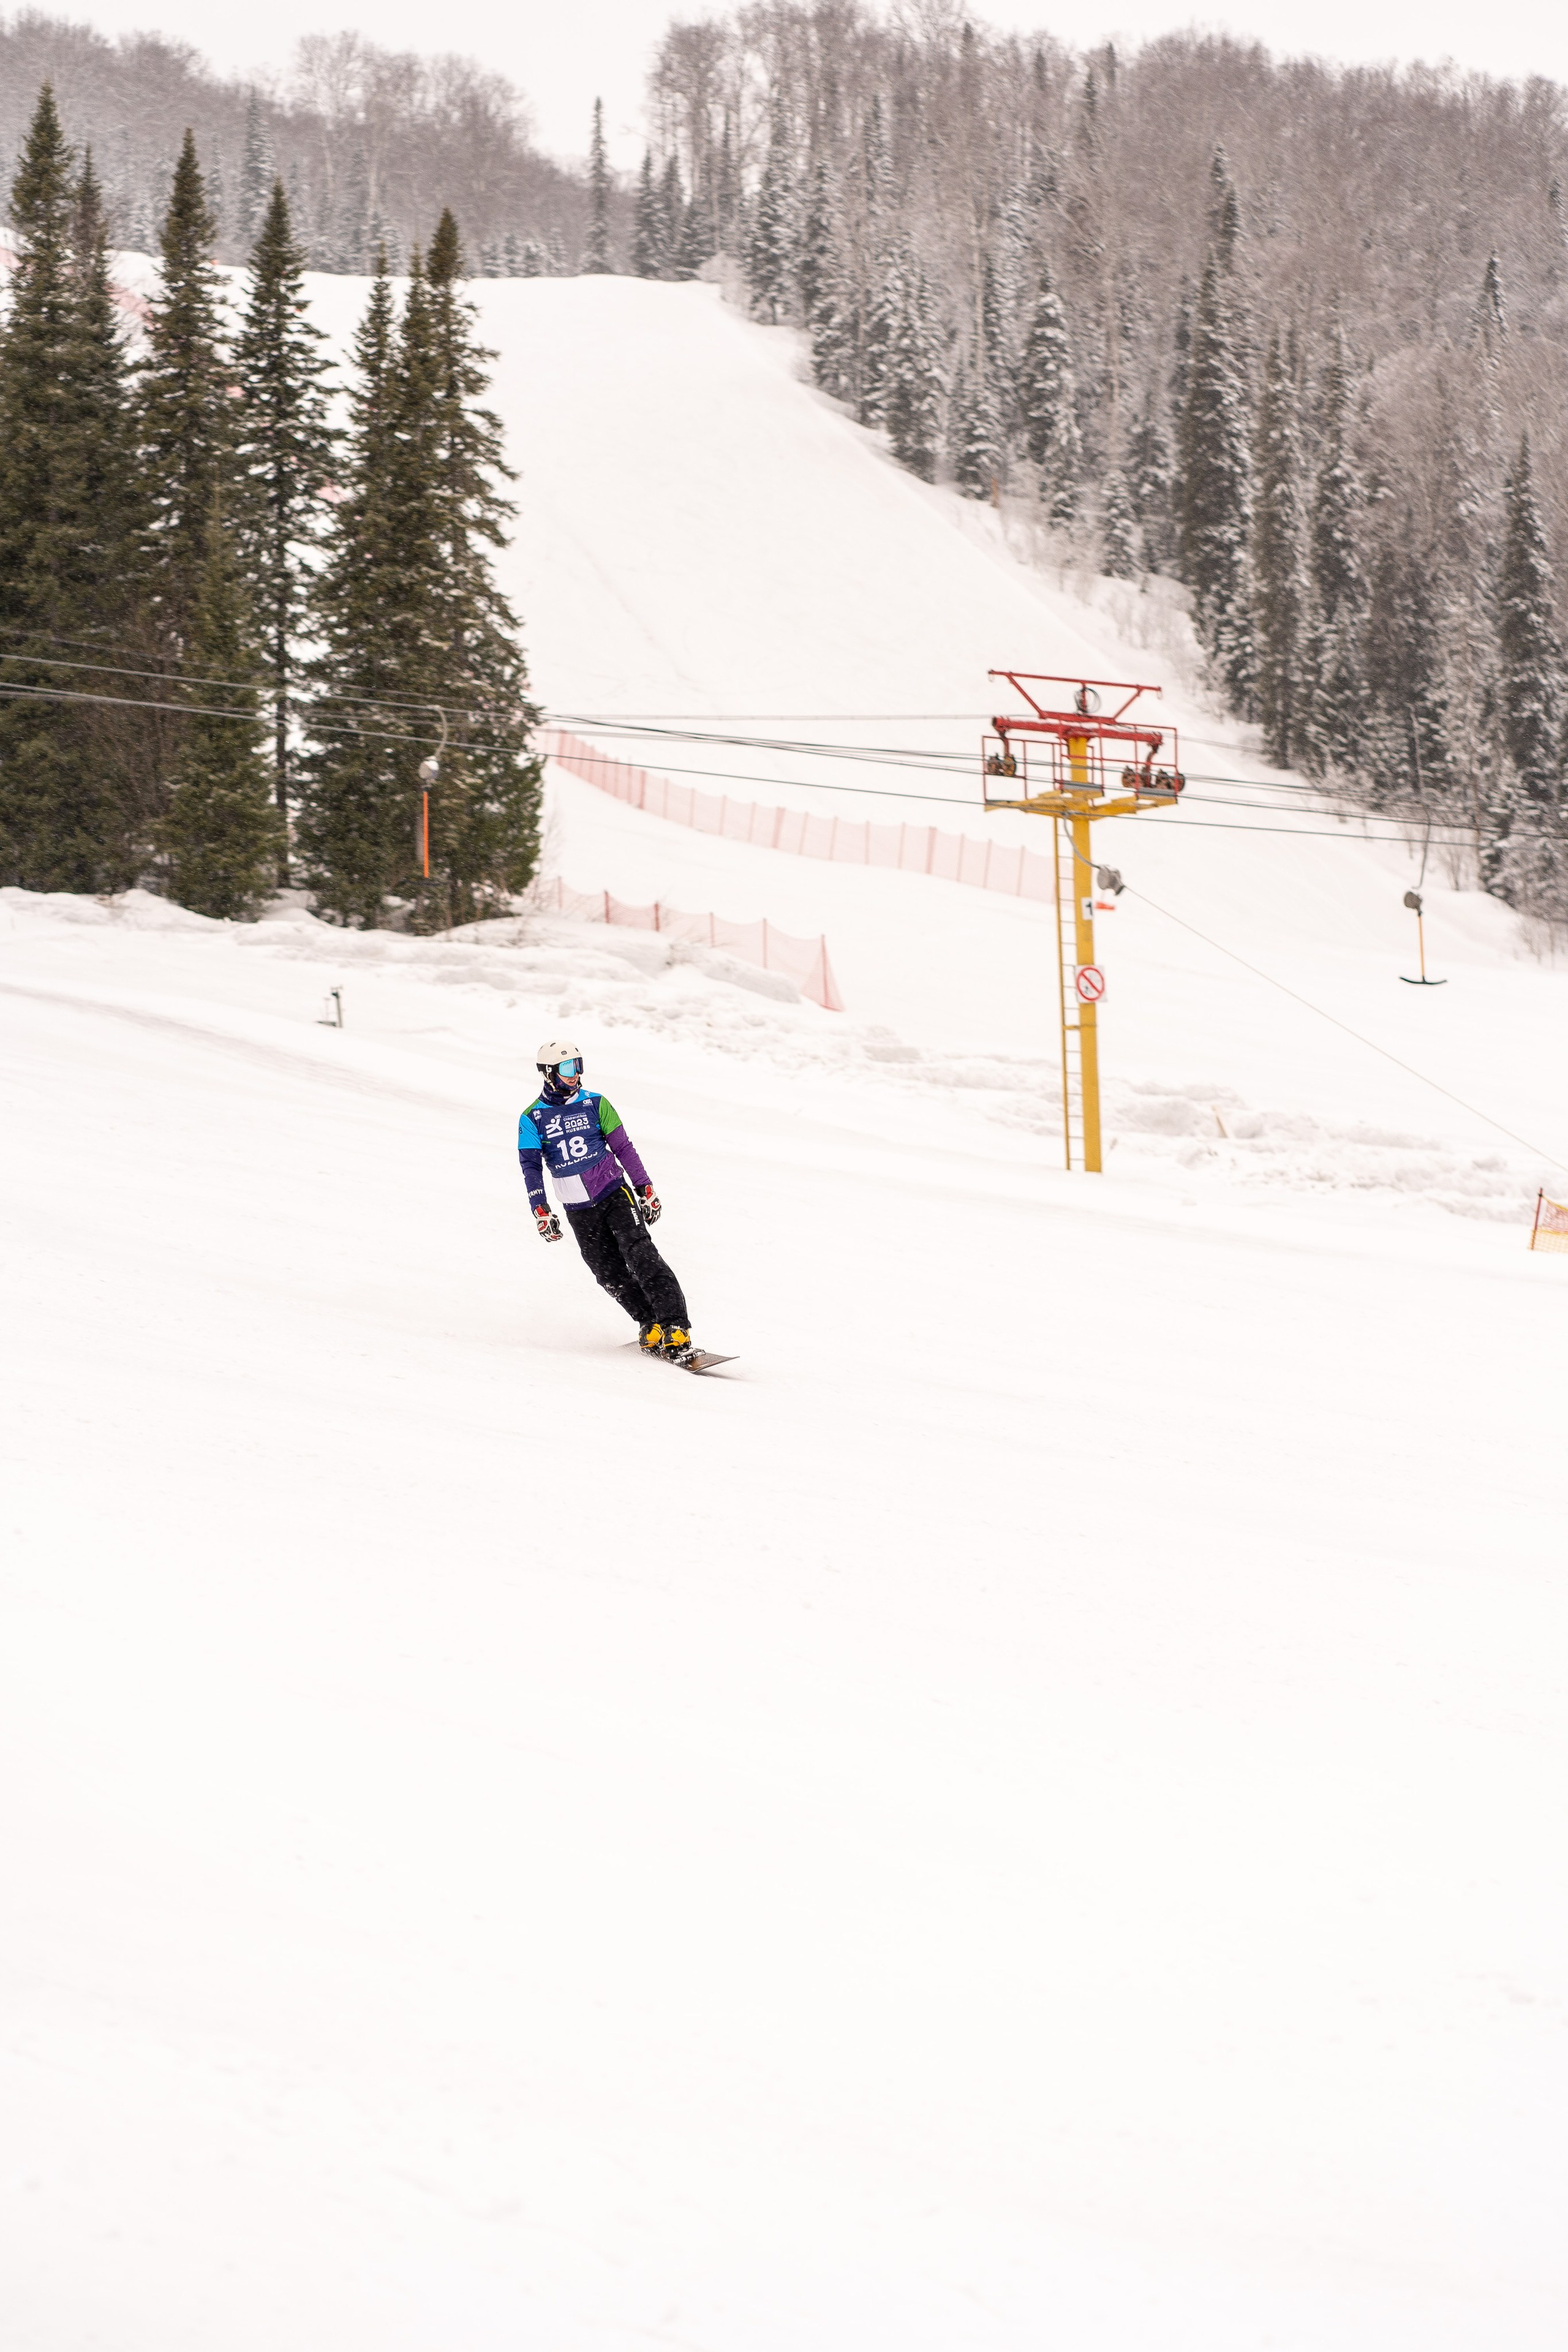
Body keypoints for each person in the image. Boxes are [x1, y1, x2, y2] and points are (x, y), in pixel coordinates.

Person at [519, 1040, 696, 1360]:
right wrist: (540, 1210)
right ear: (548, 1073)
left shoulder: (596, 1103)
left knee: (640, 1254)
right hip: (577, 1208)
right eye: (568, 1068)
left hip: (614, 1192)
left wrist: (645, 1188)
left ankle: (676, 1326)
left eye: (579, 1065)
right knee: (607, 1270)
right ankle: (650, 1322)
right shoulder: (531, 1118)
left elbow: (623, 1147)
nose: (576, 1074)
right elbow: (531, 1167)